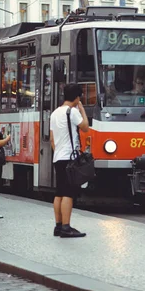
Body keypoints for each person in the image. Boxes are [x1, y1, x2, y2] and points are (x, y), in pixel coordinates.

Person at [50, 83, 89, 238]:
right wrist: (83, 111)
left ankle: (58, 226)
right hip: (68, 158)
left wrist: (59, 150)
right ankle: (66, 227)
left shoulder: (55, 113)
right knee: (68, 193)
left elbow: (52, 139)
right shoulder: (72, 112)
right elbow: (85, 127)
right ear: (77, 97)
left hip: (58, 156)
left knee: (59, 192)